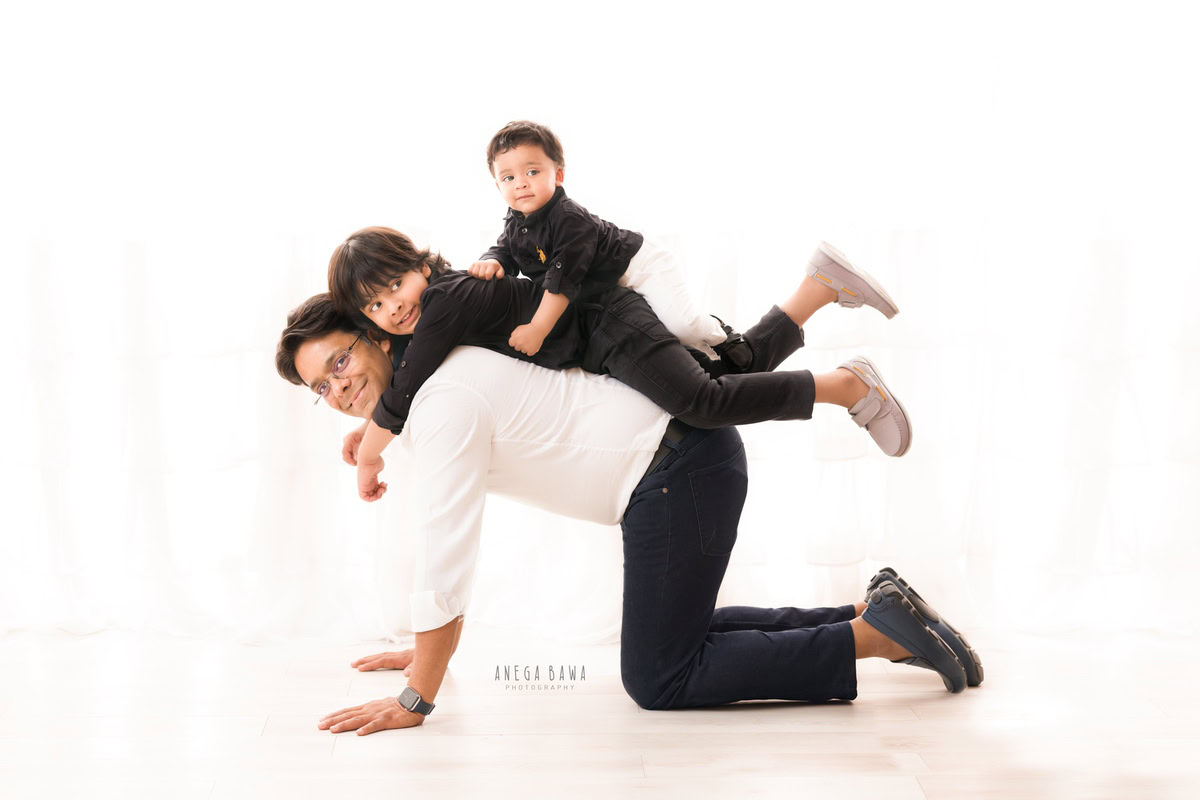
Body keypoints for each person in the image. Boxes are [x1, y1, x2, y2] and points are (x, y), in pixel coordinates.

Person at [274, 274, 983, 737]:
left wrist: (417, 693)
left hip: (676, 471)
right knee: (674, 638)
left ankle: (879, 637)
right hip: (674, 469)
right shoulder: (430, 391)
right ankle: (867, 615)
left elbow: (448, 543)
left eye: (339, 362)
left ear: (375, 337)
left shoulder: (441, 399)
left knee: (659, 675)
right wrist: (428, 646)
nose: (336, 390)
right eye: (319, 388)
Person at [327, 225, 908, 504]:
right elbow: (409, 378)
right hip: (604, 336)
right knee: (725, 371)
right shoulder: (434, 311)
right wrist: (366, 422)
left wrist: (369, 458)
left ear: (419, 266)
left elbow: (403, 392)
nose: (393, 306)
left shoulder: (445, 302)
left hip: (610, 326)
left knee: (704, 403)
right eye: (374, 305)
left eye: (395, 284)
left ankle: (845, 385)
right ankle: (820, 285)